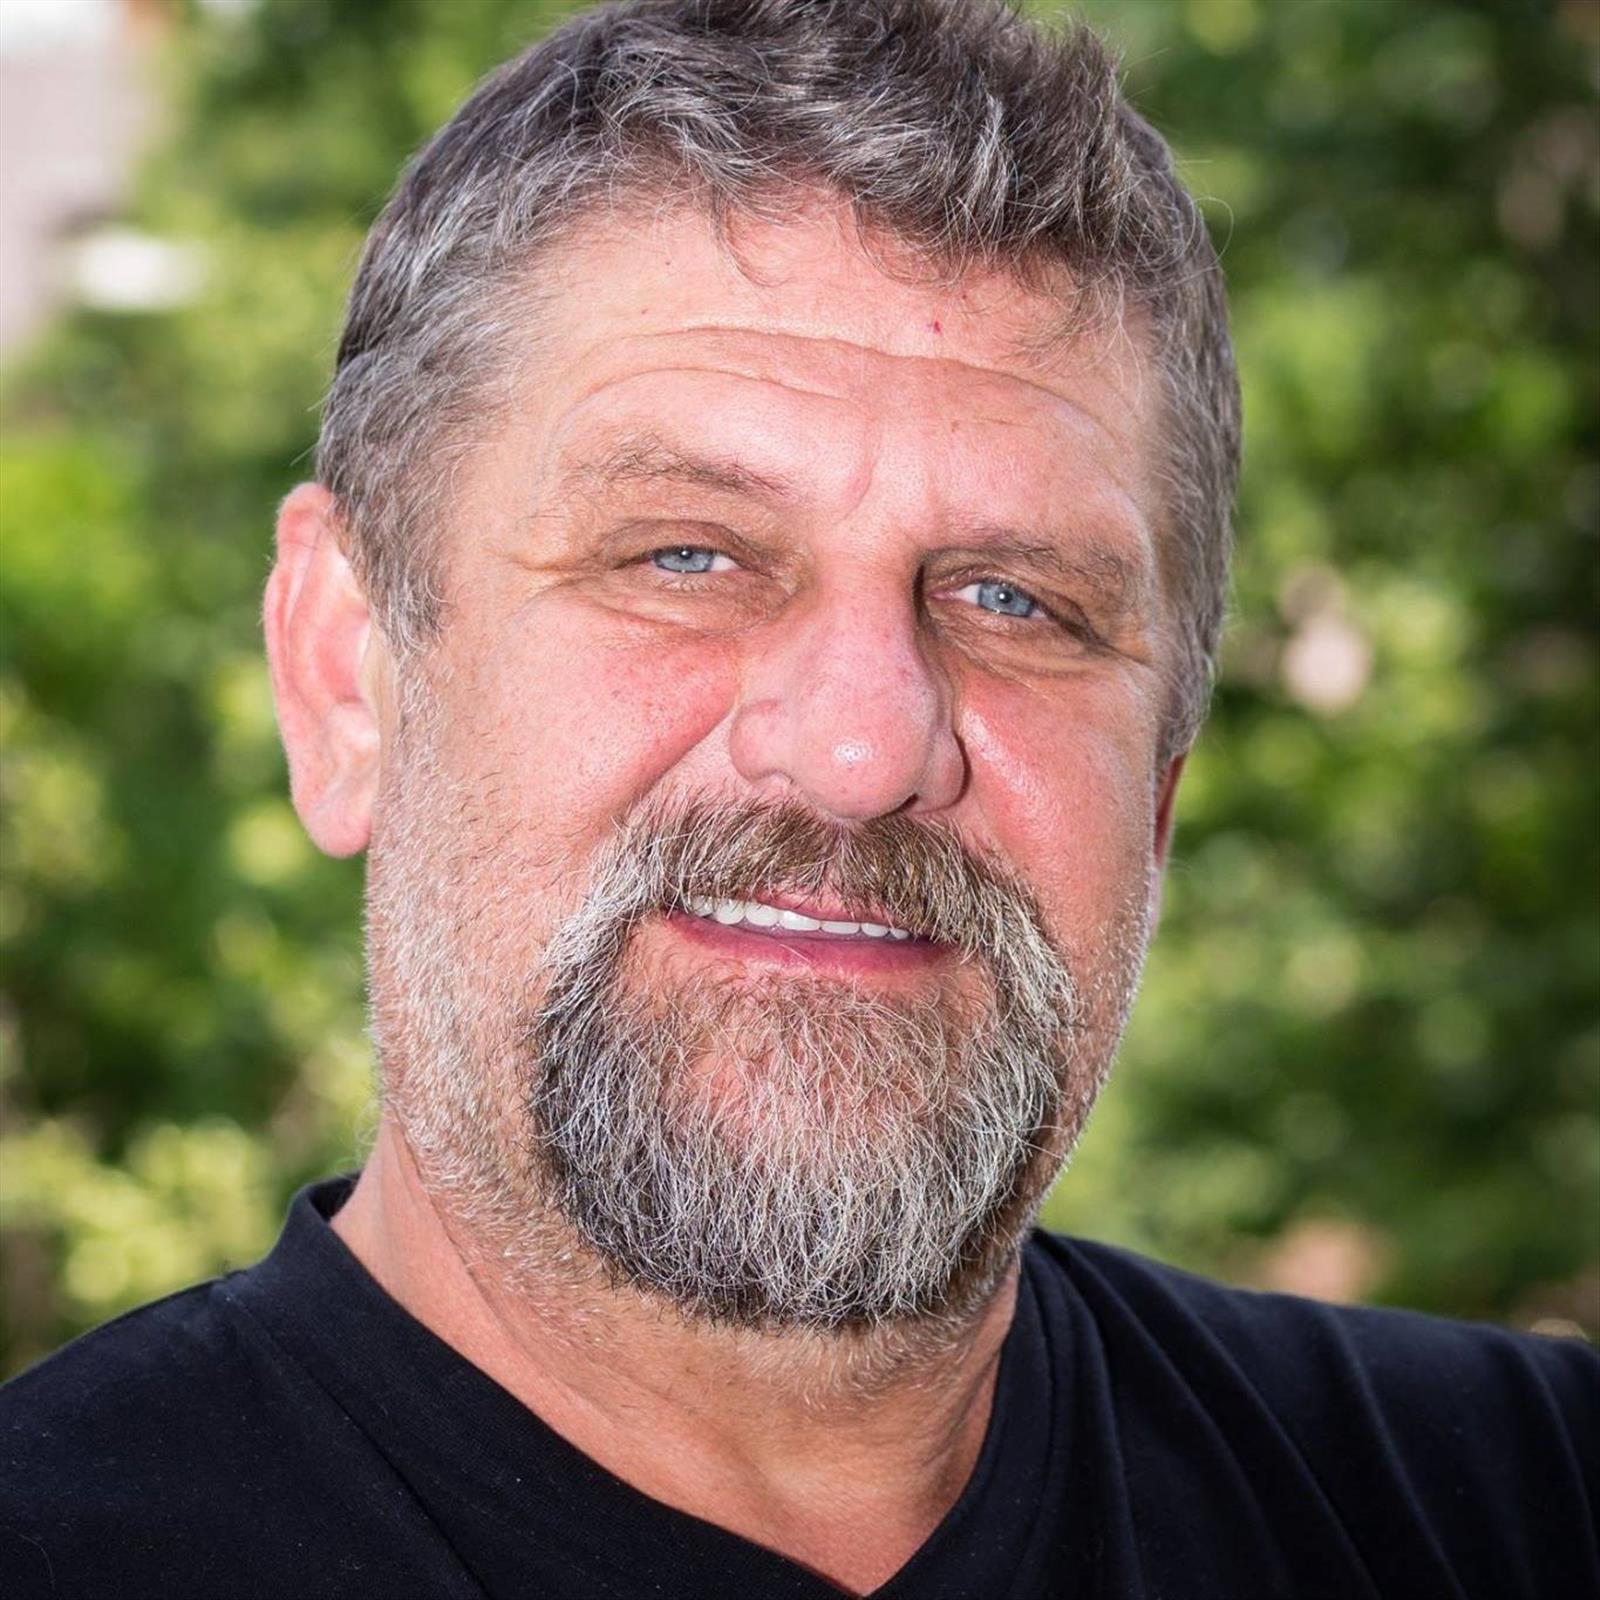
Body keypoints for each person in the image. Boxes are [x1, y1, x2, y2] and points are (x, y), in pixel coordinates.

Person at [2, 1, 1595, 1595]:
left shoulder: (1525, 1509)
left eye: (1015, 601)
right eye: (686, 556)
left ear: (1159, 789)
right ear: (346, 675)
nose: (862, 749)